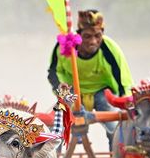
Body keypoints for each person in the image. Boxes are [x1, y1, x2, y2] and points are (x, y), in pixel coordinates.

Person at [47, 9, 132, 142]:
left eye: (97, 36)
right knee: (55, 128)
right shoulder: (64, 47)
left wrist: (125, 106)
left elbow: (123, 81)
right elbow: (52, 73)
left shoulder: (110, 49)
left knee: (117, 130)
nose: (93, 41)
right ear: (79, 35)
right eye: (87, 36)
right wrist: (60, 88)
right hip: (72, 92)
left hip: (102, 93)